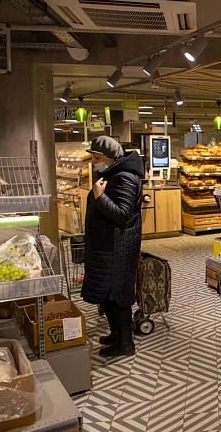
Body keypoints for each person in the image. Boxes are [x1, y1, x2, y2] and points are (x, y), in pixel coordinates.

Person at [81, 136, 144, 358]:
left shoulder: (125, 177)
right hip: (108, 246)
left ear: (109, 157)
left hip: (118, 249)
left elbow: (122, 215)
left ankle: (125, 343)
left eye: (97, 158)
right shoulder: (113, 174)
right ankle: (116, 335)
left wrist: (99, 198)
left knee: (118, 297)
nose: (94, 162)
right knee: (107, 297)